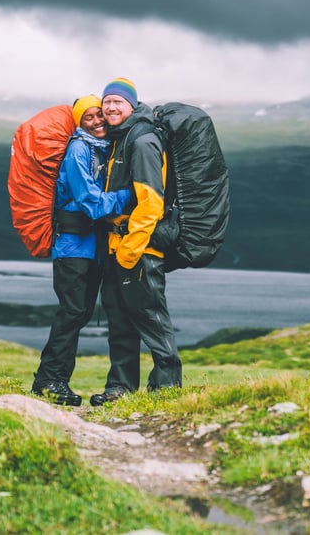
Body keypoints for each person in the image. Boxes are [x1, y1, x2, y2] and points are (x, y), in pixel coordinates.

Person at [31, 95, 130, 406]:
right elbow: (91, 202)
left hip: (90, 248)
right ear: (79, 123)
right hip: (73, 246)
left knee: (78, 313)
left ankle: (54, 380)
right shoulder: (78, 150)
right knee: (73, 312)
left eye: (99, 114)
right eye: (88, 118)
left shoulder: (101, 149)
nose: (98, 121)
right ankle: (49, 381)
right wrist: (133, 194)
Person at [90, 78, 182, 407]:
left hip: (140, 249)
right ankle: (121, 388)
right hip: (118, 248)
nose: (111, 107)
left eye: (118, 102)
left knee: (150, 318)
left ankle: (167, 389)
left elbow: (151, 202)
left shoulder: (142, 141)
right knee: (120, 320)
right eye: (107, 102)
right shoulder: (121, 138)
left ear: (132, 105)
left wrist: (132, 248)